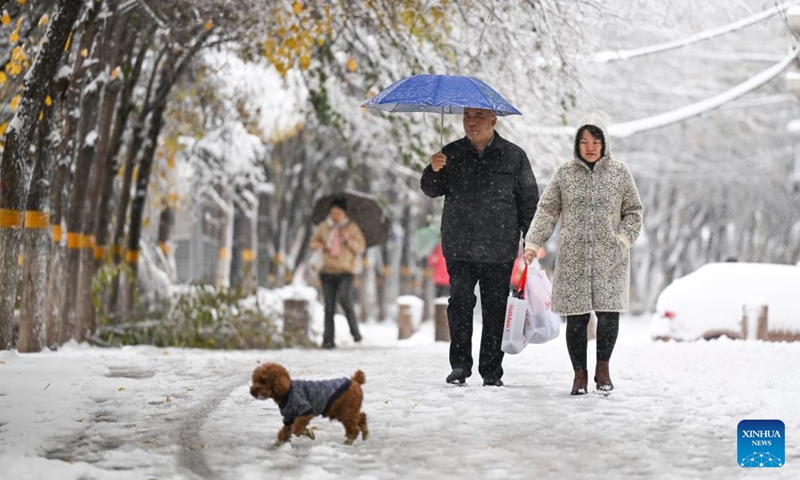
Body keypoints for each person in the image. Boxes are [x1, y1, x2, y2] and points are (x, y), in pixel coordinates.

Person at [523, 113, 643, 395]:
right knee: (576, 318)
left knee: (608, 315)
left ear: (605, 143)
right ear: (576, 144)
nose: (590, 147)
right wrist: (532, 243)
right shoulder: (565, 173)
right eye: (584, 141)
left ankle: (603, 369)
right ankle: (580, 374)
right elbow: (547, 209)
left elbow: (634, 212)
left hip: (610, 258)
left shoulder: (619, 173)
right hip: (573, 258)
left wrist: (622, 240)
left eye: (596, 141)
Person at [421, 107, 539, 387]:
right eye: (466, 117)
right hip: (459, 246)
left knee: (496, 309)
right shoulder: (450, 153)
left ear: (493, 120)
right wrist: (432, 169)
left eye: (478, 117)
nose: (471, 122)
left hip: (499, 246)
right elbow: (431, 189)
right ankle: (460, 366)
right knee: (459, 306)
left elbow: (528, 200)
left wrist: (530, 240)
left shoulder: (514, 156)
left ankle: (491, 370)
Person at [309, 197, 366, 349]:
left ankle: (354, 330)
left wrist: (348, 240)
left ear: (344, 214)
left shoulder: (352, 228)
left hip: (346, 271)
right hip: (327, 271)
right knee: (328, 306)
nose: (335, 216)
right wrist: (321, 245)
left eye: (338, 213)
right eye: (332, 212)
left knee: (344, 297)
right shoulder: (324, 227)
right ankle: (328, 340)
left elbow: (360, 248)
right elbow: (312, 243)